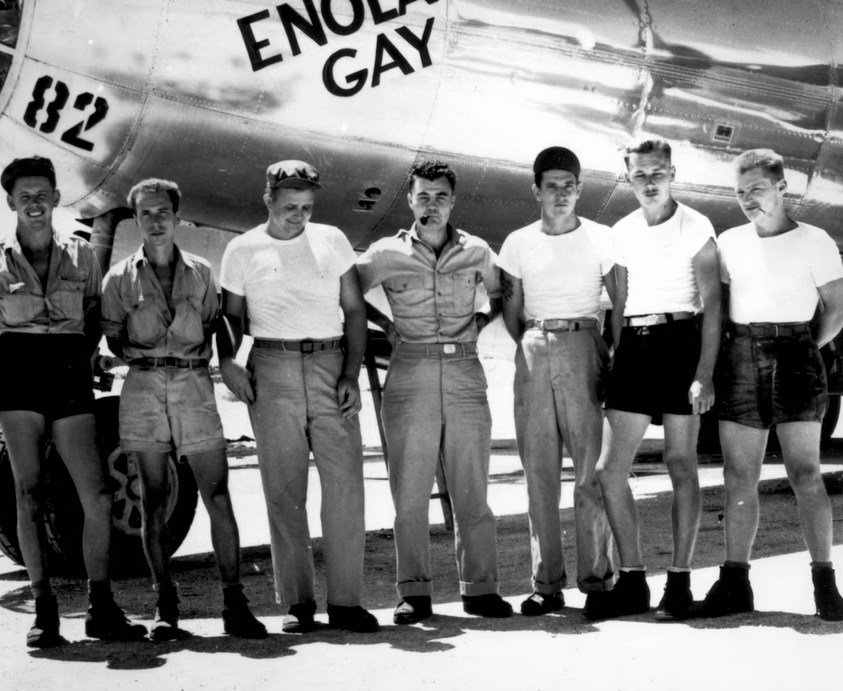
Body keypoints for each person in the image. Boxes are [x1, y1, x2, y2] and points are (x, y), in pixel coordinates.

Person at [0, 156, 144, 648]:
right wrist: (2, 375)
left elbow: (91, 318)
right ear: (11, 203)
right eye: (25, 196)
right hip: (18, 370)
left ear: (57, 198)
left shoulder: (82, 257)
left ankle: (100, 605)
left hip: (67, 367)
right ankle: (44, 611)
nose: (35, 204)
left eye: (43, 194)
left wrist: (82, 360)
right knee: (29, 492)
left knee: (98, 494)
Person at [100, 179, 267, 640]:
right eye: (145, 214)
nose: (154, 222)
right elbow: (114, 335)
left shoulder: (202, 273)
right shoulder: (117, 279)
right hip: (144, 387)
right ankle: (166, 608)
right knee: (154, 499)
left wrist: (226, 364)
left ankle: (234, 603)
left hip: (194, 385)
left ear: (177, 218)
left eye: (162, 213)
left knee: (217, 495)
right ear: (136, 220)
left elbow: (218, 327)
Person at [217, 160, 378, 634]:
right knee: (284, 492)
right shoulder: (242, 249)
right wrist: (228, 364)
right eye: (289, 207)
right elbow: (230, 318)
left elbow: (353, 312)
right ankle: (298, 603)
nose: (299, 216)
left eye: (307, 207)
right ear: (267, 199)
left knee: (345, 488)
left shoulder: (332, 240)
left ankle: (346, 602)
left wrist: (350, 373)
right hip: (273, 371)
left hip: (331, 369)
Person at [356, 160, 512, 624]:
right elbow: (346, 290)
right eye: (423, 196)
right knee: (410, 488)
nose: (431, 205)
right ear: (409, 200)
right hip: (411, 371)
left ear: (453, 200)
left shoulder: (478, 251)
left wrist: (480, 322)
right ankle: (414, 593)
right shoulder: (385, 253)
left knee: (473, 486)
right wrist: (384, 324)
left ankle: (480, 589)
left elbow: (502, 294)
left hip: (464, 369)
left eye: (440, 196)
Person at [702, 149, 843, 621]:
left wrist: (805, 346)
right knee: (738, 477)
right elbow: (719, 305)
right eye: (740, 191)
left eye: (758, 189)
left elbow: (840, 306)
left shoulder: (815, 240)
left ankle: (824, 582)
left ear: (782, 186)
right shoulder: (729, 241)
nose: (748, 199)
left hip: (796, 355)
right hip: (741, 355)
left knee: (806, 474)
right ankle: (735, 583)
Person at [590, 139, 722, 621]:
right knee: (609, 470)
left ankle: (681, 582)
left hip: (681, 341)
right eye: (640, 174)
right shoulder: (620, 231)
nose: (650, 181)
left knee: (680, 462)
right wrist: (617, 354)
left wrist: (703, 374)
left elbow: (712, 304)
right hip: (635, 346)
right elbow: (620, 303)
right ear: (628, 178)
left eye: (658, 173)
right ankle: (632, 579)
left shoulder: (695, 225)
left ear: (673, 174)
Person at [500, 147, 616, 616]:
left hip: (584, 342)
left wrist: (605, 355)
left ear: (579, 189)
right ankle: (546, 584)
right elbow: (511, 311)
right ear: (536, 190)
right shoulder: (518, 242)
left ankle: (597, 581)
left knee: (590, 472)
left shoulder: (602, 238)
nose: (562, 194)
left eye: (569, 186)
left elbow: (619, 305)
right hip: (534, 348)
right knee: (539, 474)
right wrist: (536, 343)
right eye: (552, 186)